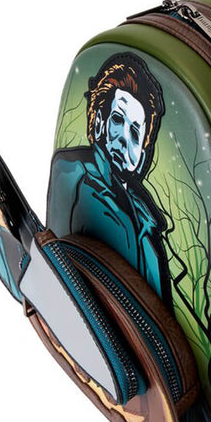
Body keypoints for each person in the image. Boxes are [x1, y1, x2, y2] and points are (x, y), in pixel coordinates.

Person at [48, 52, 171, 306]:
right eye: (117, 120)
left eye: (135, 132)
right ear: (99, 123)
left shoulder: (148, 227)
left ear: (142, 155)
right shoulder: (73, 173)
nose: (124, 138)